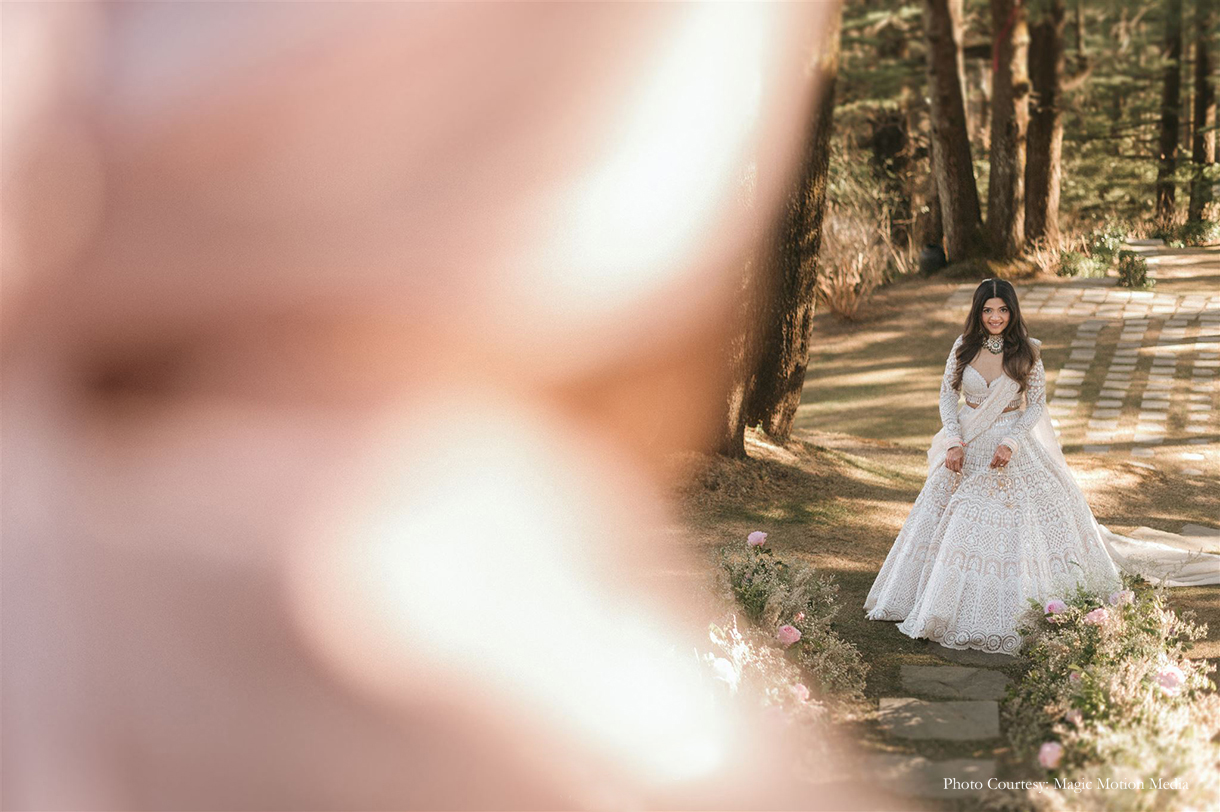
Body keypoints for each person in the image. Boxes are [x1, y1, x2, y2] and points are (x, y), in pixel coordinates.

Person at [864, 278, 1219, 656]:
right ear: (978, 312)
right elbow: (947, 395)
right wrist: (953, 439)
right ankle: (933, 598)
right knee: (947, 511)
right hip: (967, 441)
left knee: (1003, 520)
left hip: (1010, 443)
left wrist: (1011, 441)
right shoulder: (963, 346)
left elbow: (1034, 405)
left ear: (1013, 311)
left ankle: (994, 605)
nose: (995, 317)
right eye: (987, 310)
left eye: (1002, 310)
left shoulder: (1028, 351)